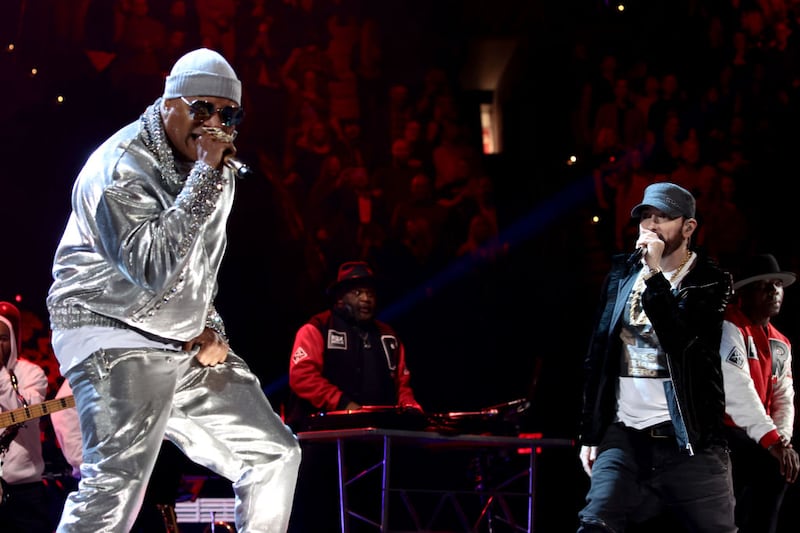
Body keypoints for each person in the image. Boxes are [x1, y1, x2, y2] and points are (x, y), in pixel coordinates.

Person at [45, 47, 301, 532]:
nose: (214, 123)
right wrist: (205, 175)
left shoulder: (214, 170)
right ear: (168, 103)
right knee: (116, 483)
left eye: (228, 114)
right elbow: (153, 266)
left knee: (275, 454)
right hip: (108, 329)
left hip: (177, 338)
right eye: (200, 108)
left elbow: (202, 266)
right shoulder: (119, 168)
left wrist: (208, 325)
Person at [577, 182, 737, 532]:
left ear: (688, 227)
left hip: (689, 440)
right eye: (644, 218)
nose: (650, 226)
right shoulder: (621, 276)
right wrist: (591, 434)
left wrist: (652, 275)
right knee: (595, 522)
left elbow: (680, 342)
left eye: (662, 217)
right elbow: (598, 355)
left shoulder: (711, 282)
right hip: (625, 435)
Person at [286, 260, 422, 532]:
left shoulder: (389, 336)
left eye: (370, 293)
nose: (366, 299)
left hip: (375, 445)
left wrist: (411, 408)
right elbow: (301, 376)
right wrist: (344, 404)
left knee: (375, 513)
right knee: (318, 514)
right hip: (323, 446)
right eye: (357, 292)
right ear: (340, 297)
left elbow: (402, 384)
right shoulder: (316, 328)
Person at [720, 253, 800, 532]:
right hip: (725, 431)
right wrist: (773, 442)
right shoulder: (729, 326)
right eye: (761, 285)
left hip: (757, 435)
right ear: (741, 293)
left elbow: (783, 396)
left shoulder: (781, 342)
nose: (772, 290)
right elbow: (737, 391)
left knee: (780, 470)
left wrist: (783, 441)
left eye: (776, 283)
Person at [0, 301, 52, 533]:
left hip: (24, 490)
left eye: (1, 338)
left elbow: (25, 416)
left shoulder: (31, 373)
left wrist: (1, 375)